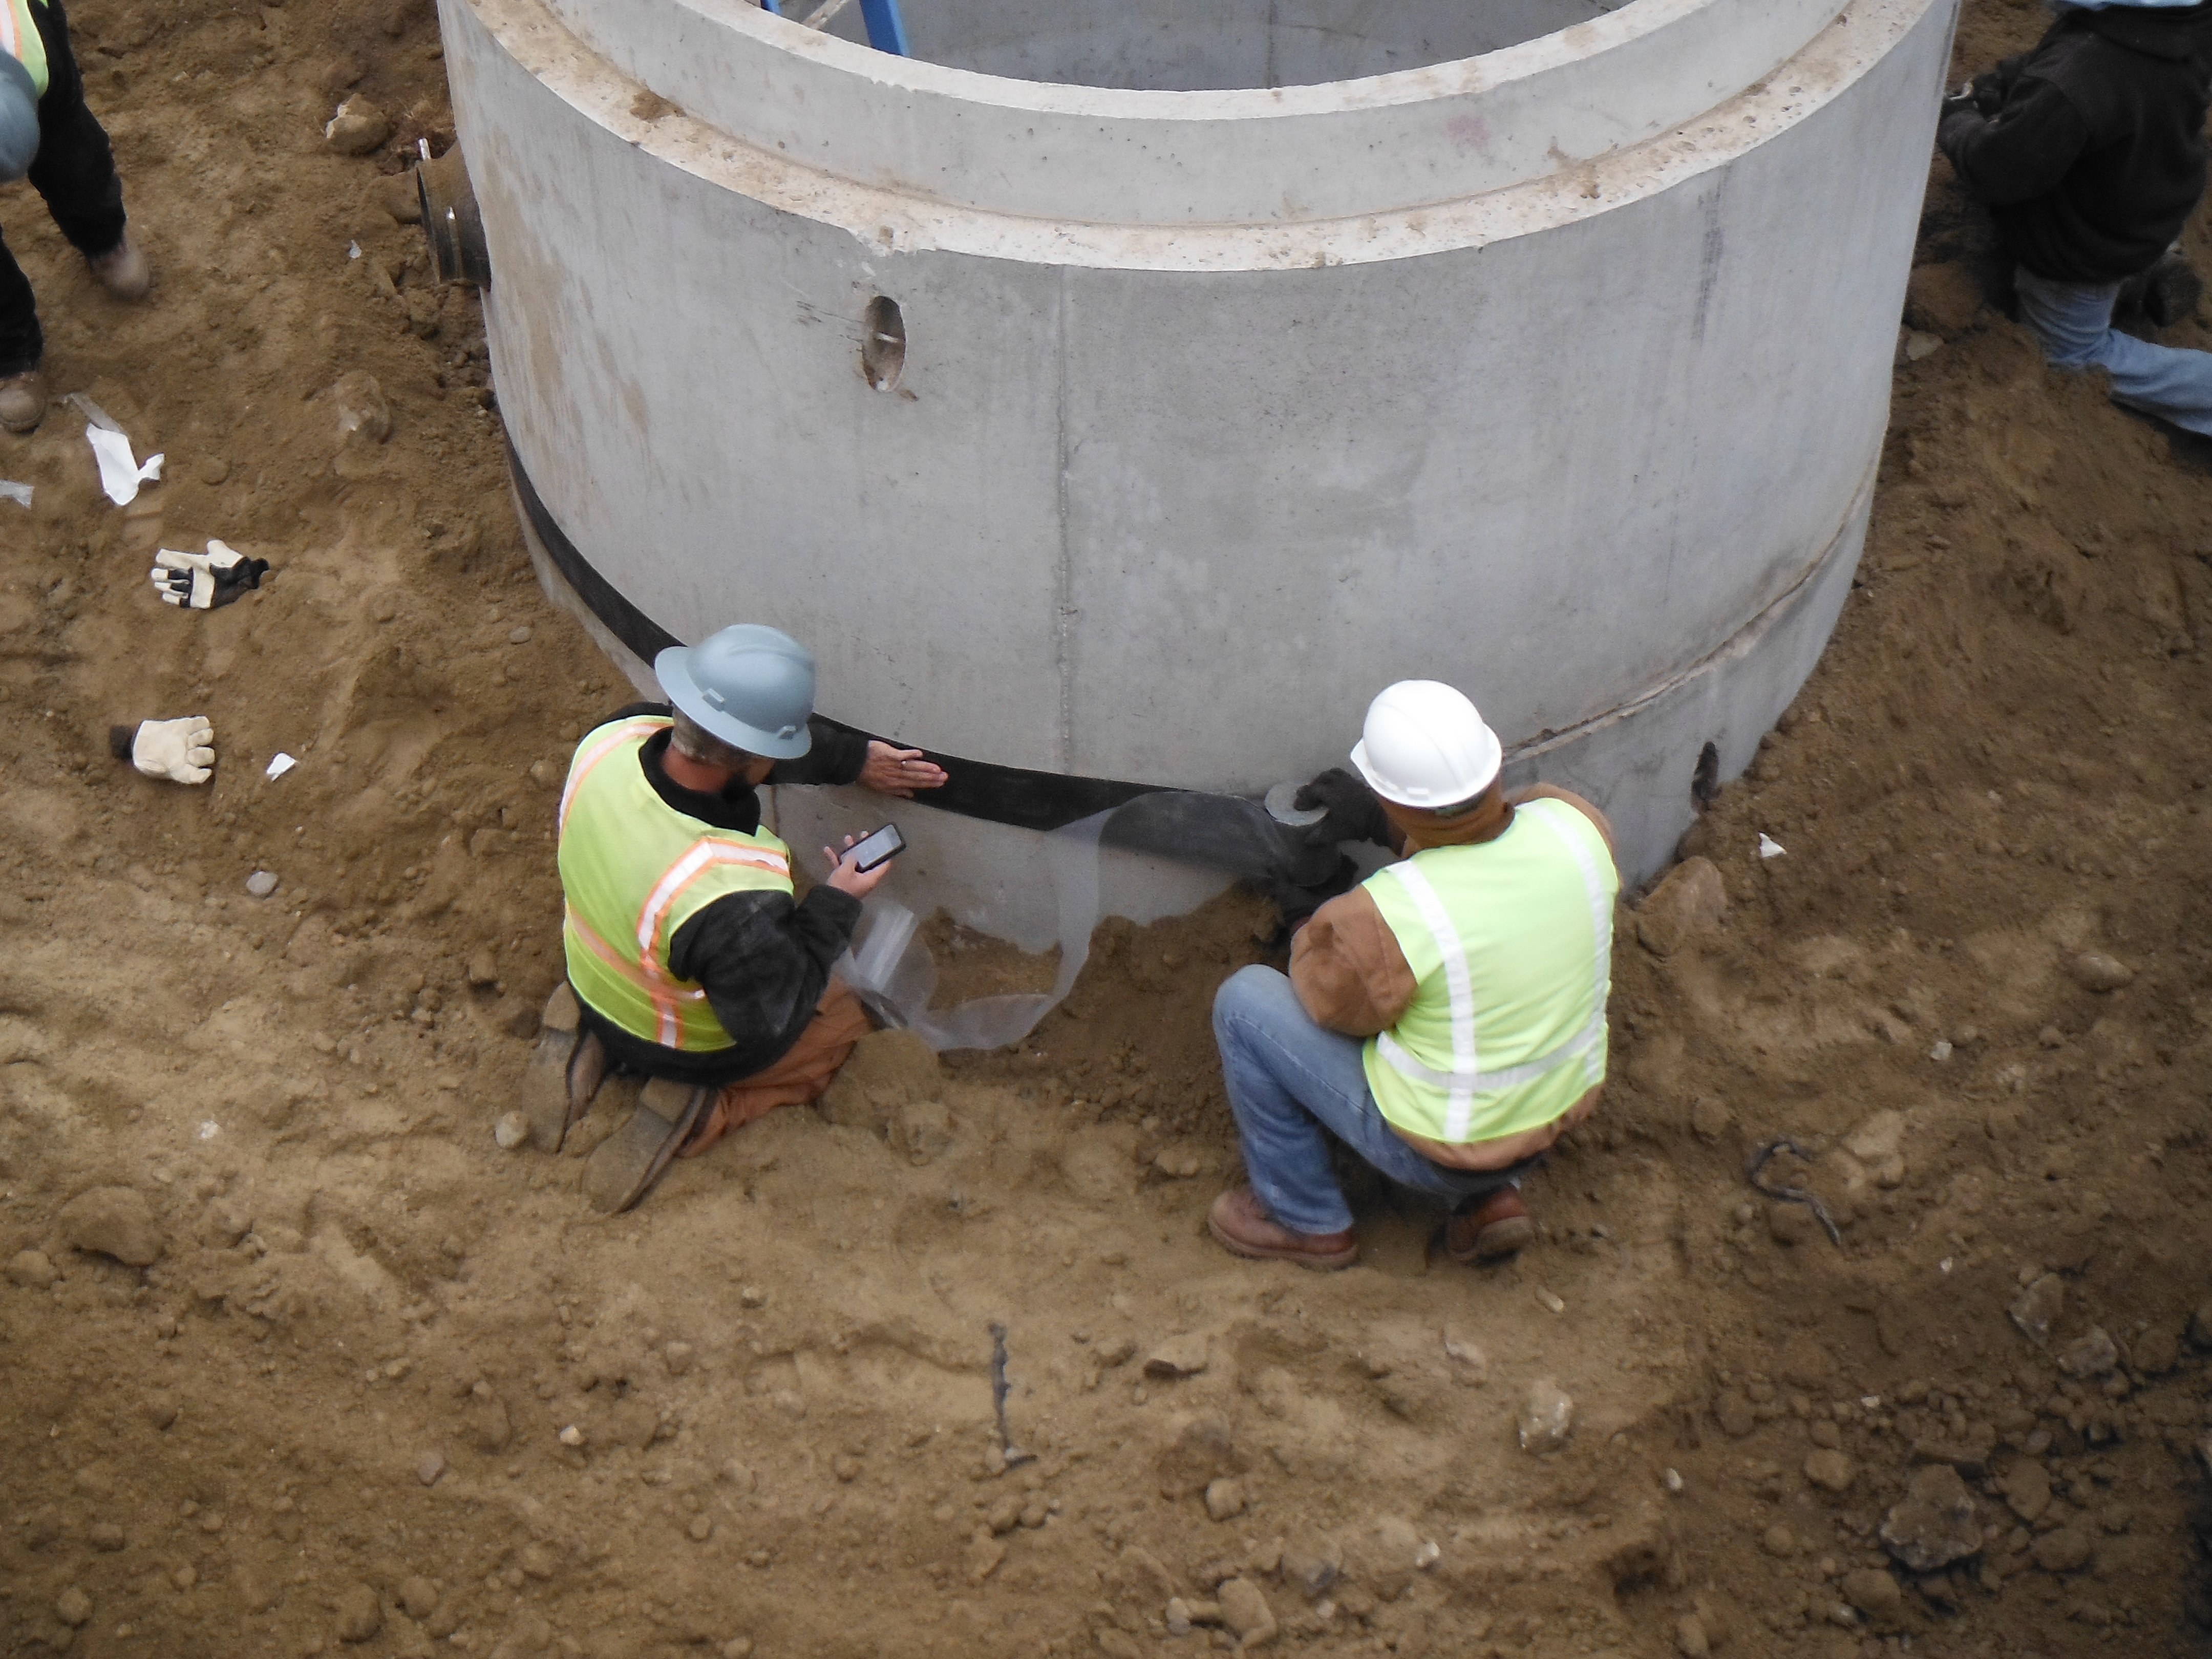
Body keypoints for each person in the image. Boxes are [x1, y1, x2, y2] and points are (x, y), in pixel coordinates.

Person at [524, 622, 948, 1213]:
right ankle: (707, 1111)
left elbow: (734, 754)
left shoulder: (616, 737)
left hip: (593, 968)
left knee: (670, 947)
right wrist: (838, 899)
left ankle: (590, 1033)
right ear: (758, 758)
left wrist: (854, 760)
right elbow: (773, 1016)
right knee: (845, 1019)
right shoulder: (724, 891)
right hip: (680, 1041)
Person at [1206, 680, 1619, 1270]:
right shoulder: (1575, 826)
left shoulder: (1395, 916)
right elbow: (1488, 843)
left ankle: (1305, 1218)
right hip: (1556, 1114)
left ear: (1392, 798)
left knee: (1245, 1004)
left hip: (1439, 1150)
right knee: (1475, 1003)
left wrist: (1308, 916)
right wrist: (1387, 825)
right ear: (1492, 765)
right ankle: (1491, 1200)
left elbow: (1325, 1003)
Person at [1937, 0, 2212, 437]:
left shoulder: (2081, 77)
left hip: (2085, 253)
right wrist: (2003, 84)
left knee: (2070, 356)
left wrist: (1957, 122)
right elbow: (2066, 64)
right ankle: (2154, 267)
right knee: (2124, 185)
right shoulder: (2178, 20)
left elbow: (2000, 170)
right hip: (2150, 202)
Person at [0, 0, 152, 434]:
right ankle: (11, 354)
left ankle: (105, 241)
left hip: (31, 60)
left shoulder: (33, 47)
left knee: (75, 162)